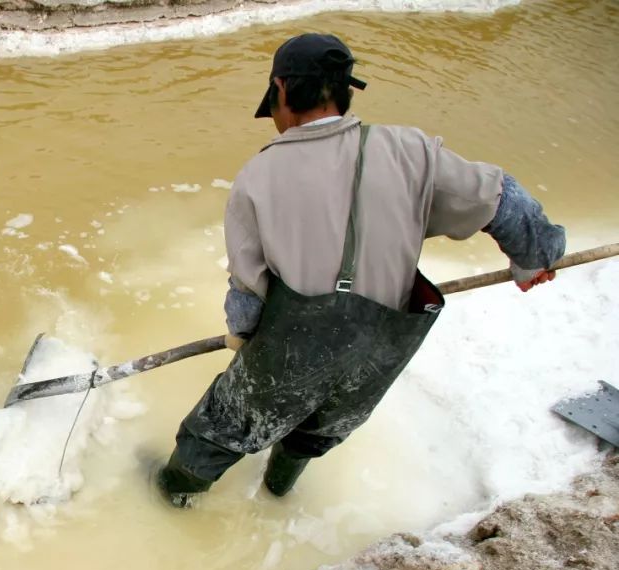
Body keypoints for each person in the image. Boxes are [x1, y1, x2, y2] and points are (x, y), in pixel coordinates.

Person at [155, 33, 565, 508]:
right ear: (346, 92)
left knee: (219, 431)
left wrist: (243, 338)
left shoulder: (260, 176)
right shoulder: (413, 151)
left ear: (281, 92)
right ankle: (277, 492)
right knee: (315, 431)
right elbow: (502, 199)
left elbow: (249, 289)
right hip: (380, 352)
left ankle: (172, 495)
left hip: (293, 356)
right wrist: (536, 259)